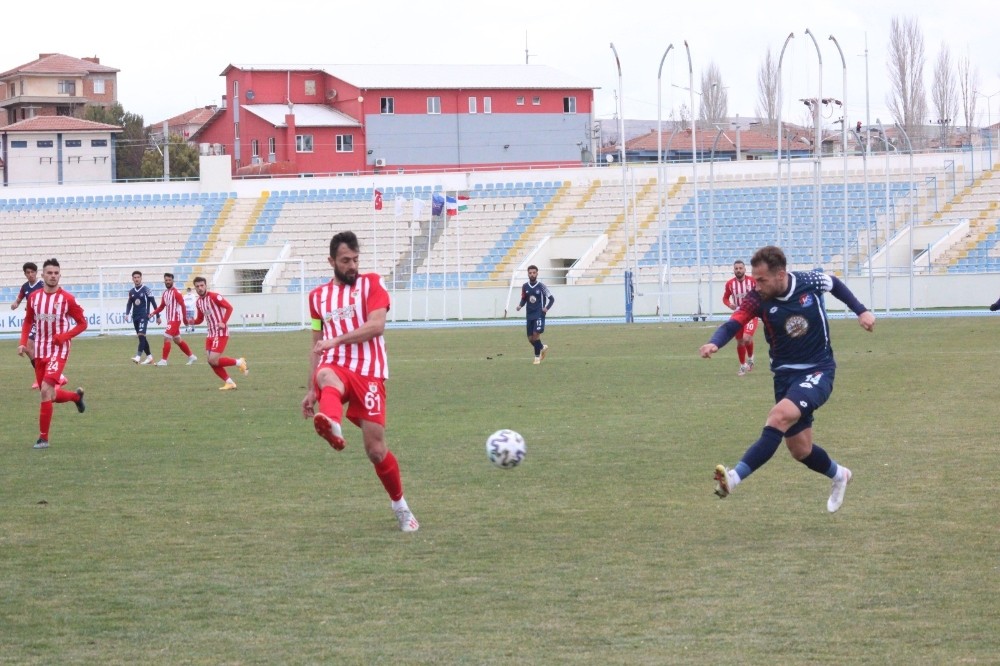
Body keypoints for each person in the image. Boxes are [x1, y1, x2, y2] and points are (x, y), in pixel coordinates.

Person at [699, 245, 876, 513]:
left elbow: (835, 284)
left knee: (778, 416)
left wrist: (861, 310)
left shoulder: (809, 281)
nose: (755, 285)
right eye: (754, 279)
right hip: (784, 378)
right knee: (800, 450)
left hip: (818, 370)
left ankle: (733, 479)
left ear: (781, 274)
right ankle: (840, 475)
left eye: (761, 280)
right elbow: (733, 323)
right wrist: (715, 343)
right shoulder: (756, 299)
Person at [301, 231, 419, 533]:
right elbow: (317, 340)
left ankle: (400, 506)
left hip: (369, 372)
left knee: (376, 450)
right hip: (335, 365)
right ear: (331, 261)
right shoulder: (317, 298)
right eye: (345, 261)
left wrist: (337, 339)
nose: (352, 265)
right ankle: (332, 423)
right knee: (326, 374)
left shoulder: (372, 284)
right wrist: (311, 389)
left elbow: (377, 326)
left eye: (355, 259)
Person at [17, 258, 87, 449]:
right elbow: (28, 321)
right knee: (50, 395)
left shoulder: (67, 299)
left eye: (56, 273)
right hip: (40, 349)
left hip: (59, 349)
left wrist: (64, 336)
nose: (53, 276)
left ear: (59, 275)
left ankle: (43, 439)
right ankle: (76, 397)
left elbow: (83, 323)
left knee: (45, 391)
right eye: (49, 273)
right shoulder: (34, 298)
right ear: (43, 275)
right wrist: (23, 343)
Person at [10, 261, 67, 389]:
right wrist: (15, 304)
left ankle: (56, 376)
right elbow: (19, 299)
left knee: (35, 347)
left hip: (44, 321)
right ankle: (44, 376)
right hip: (33, 320)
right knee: (30, 349)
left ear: (37, 273)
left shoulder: (42, 284)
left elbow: (52, 294)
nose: (30, 274)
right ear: (25, 274)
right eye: (28, 273)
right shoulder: (25, 287)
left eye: (32, 272)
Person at [185, 276, 248, 390]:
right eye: (197, 286)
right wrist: (192, 321)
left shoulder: (214, 297)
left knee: (213, 360)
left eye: (202, 285)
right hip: (210, 334)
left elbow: (229, 307)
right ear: (195, 288)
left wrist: (223, 322)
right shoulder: (199, 302)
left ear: (206, 286)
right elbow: (200, 319)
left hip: (220, 333)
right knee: (211, 362)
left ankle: (239, 362)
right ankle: (230, 383)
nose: (200, 288)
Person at [149, 272, 197, 366]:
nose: (167, 282)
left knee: (167, 337)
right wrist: (153, 313)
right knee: (177, 340)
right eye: (166, 280)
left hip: (175, 319)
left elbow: (183, 305)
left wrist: (184, 319)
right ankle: (191, 356)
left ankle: (164, 360)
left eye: (169, 280)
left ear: (173, 281)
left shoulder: (176, 293)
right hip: (170, 319)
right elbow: (162, 306)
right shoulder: (165, 293)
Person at [722, 259, 758, 376]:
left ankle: (751, 358)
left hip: (752, 313)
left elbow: (761, 293)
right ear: (734, 270)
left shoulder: (753, 281)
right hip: (738, 314)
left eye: (740, 268)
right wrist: (730, 304)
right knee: (740, 341)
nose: (738, 270)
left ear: (744, 269)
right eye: (736, 268)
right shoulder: (730, 284)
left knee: (747, 338)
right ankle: (742, 365)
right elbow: (725, 298)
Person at [515, 264, 554, 365]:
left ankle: (537, 358)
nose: (532, 274)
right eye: (530, 273)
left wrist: (546, 308)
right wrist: (520, 306)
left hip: (539, 314)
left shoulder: (541, 286)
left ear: (537, 274)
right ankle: (541, 347)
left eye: (534, 273)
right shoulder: (525, 286)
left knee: (536, 334)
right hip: (529, 315)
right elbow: (524, 299)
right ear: (528, 274)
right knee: (530, 339)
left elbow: (551, 299)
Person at [125, 270, 157, 365]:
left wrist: (157, 315)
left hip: (144, 315)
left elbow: (153, 302)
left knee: (141, 335)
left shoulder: (146, 289)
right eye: (135, 278)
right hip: (135, 316)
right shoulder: (131, 292)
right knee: (141, 337)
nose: (136, 279)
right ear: (132, 279)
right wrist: (127, 314)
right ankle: (149, 358)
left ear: (141, 278)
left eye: (138, 277)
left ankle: (138, 356)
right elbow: (129, 303)